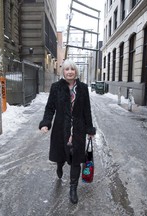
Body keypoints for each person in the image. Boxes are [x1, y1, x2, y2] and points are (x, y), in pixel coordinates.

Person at [39, 59, 96, 204]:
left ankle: (73, 189)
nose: (69, 71)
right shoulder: (56, 87)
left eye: (72, 69)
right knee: (61, 155)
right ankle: (59, 165)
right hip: (60, 127)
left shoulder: (83, 88)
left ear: (76, 71)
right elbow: (50, 107)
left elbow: (86, 110)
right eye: (66, 69)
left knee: (76, 159)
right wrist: (46, 123)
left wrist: (89, 128)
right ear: (63, 71)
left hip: (78, 129)